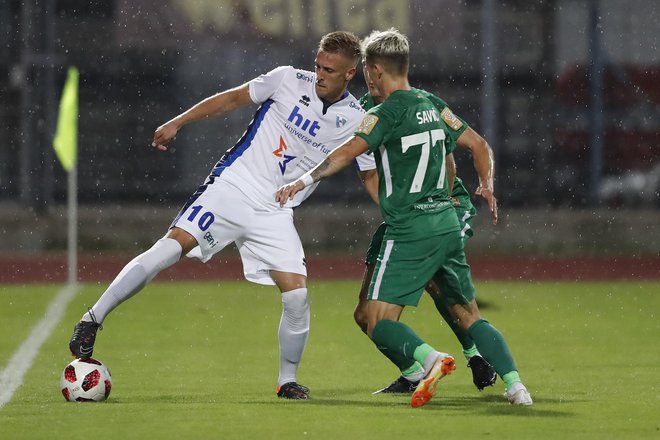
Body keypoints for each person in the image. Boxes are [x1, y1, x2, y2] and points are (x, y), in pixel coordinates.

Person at [68, 31, 377, 400]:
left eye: (329, 70)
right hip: (233, 186)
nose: (319, 74)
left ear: (350, 74)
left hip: (275, 210)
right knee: (169, 248)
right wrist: (178, 122)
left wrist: (395, 212)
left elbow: (368, 174)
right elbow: (231, 99)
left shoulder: (358, 119)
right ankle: (92, 318)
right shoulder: (288, 79)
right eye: (317, 65)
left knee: (297, 297)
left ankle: (287, 381)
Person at [276, 29, 532, 407]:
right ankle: (516, 386)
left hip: (410, 226)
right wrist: (487, 185)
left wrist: (302, 179)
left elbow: (347, 153)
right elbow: (478, 144)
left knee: (378, 322)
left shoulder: (384, 114)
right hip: (443, 221)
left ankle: (431, 360)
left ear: (375, 70)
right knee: (468, 313)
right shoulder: (432, 104)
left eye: (366, 68)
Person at [355, 74, 497, 394]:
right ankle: (412, 373)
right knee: (364, 315)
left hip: (444, 207)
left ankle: (477, 356)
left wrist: (432, 212)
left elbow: (450, 162)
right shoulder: (362, 112)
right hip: (402, 219)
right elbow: (367, 174)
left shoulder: (426, 104)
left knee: (436, 280)